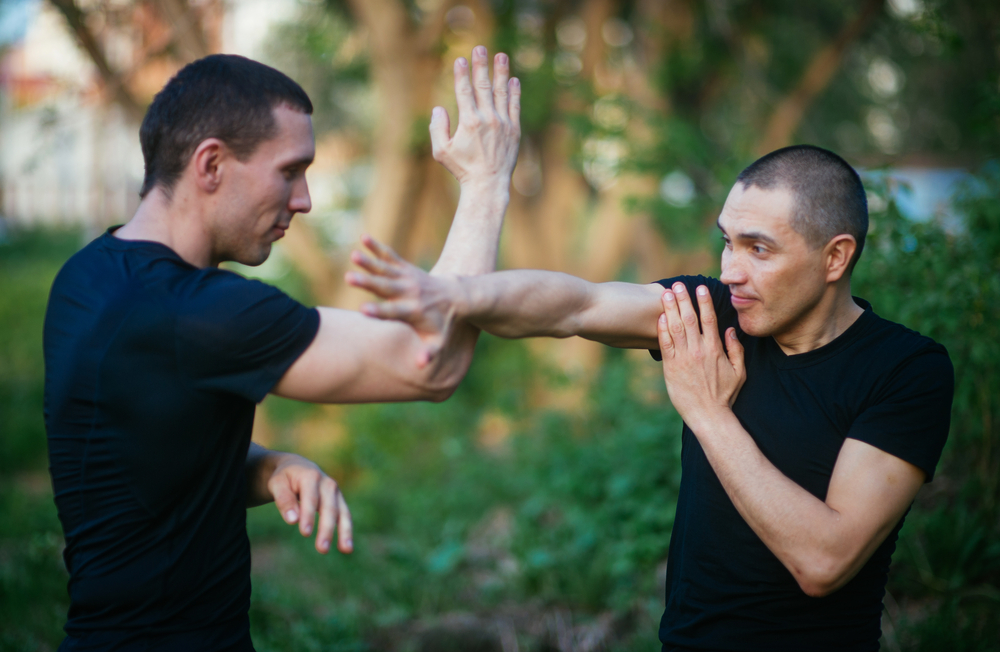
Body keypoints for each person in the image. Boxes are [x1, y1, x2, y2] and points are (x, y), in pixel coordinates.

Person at [348, 144, 954, 651]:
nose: (731, 271)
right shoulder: (714, 312)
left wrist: (707, 412)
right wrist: (452, 294)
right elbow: (575, 305)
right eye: (727, 242)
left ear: (836, 257)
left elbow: (824, 561)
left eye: (758, 248)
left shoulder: (905, 370)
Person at [43, 47, 520, 651]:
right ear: (211, 164)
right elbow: (430, 365)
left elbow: (148, 465)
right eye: (290, 171)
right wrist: (485, 184)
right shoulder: (198, 312)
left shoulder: (88, 279)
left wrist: (267, 468)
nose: (304, 199)